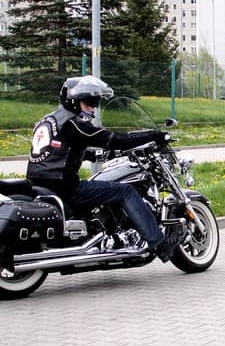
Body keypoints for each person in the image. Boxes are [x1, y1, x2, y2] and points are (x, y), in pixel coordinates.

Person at [26, 76, 180, 261]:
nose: (93, 108)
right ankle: (161, 244)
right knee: (125, 191)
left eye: (96, 103)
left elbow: (61, 149)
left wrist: (94, 155)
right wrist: (154, 136)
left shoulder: (48, 119)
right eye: (90, 103)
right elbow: (114, 140)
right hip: (64, 186)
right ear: (74, 102)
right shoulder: (74, 123)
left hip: (38, 181)